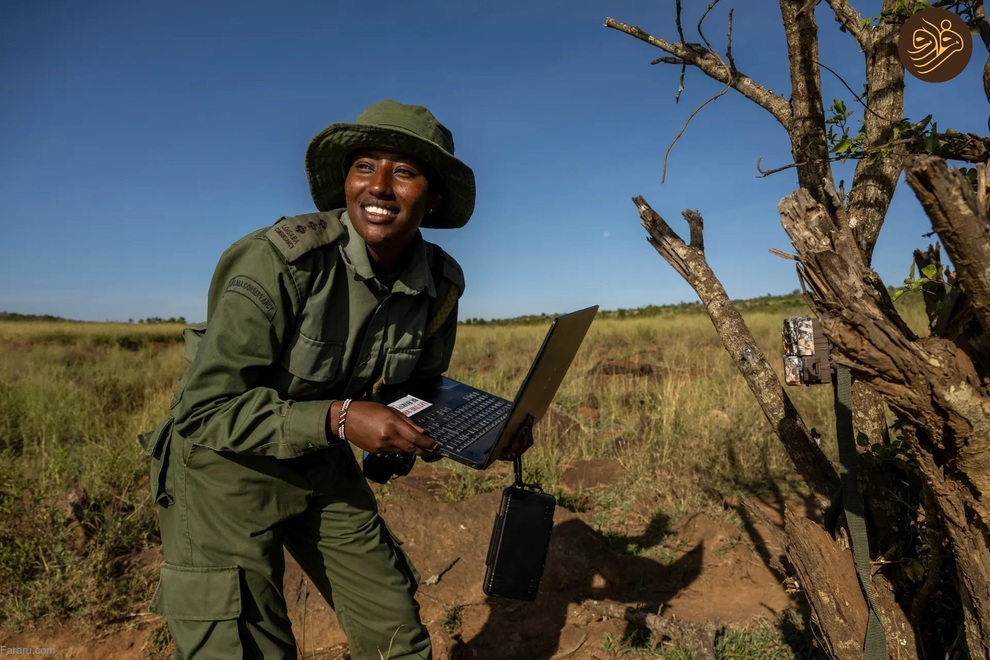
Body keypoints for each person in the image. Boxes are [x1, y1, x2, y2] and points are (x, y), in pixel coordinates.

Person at [138, 99, 533, 659]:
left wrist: (483, 433)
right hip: (223, 466)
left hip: (319, 460)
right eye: (364, 166)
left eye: (404, 171)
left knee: (397, 634)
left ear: (434, 195)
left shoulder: (440, 283)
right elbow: (204, 410)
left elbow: (417, 388)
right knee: (244, 647)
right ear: (346, 182)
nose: (379, 187)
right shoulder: (279, 261)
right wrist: (341, 417)